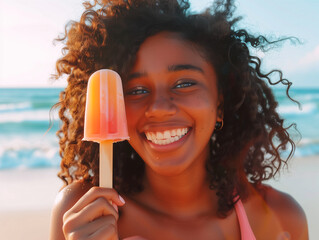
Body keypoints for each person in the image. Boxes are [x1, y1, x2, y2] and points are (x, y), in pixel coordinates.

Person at [49, 0, 309, 239]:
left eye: (184, 83)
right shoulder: (80, 215)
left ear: (221, 102)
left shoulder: (281, 218)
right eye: (136, 90)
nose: (159, 108)